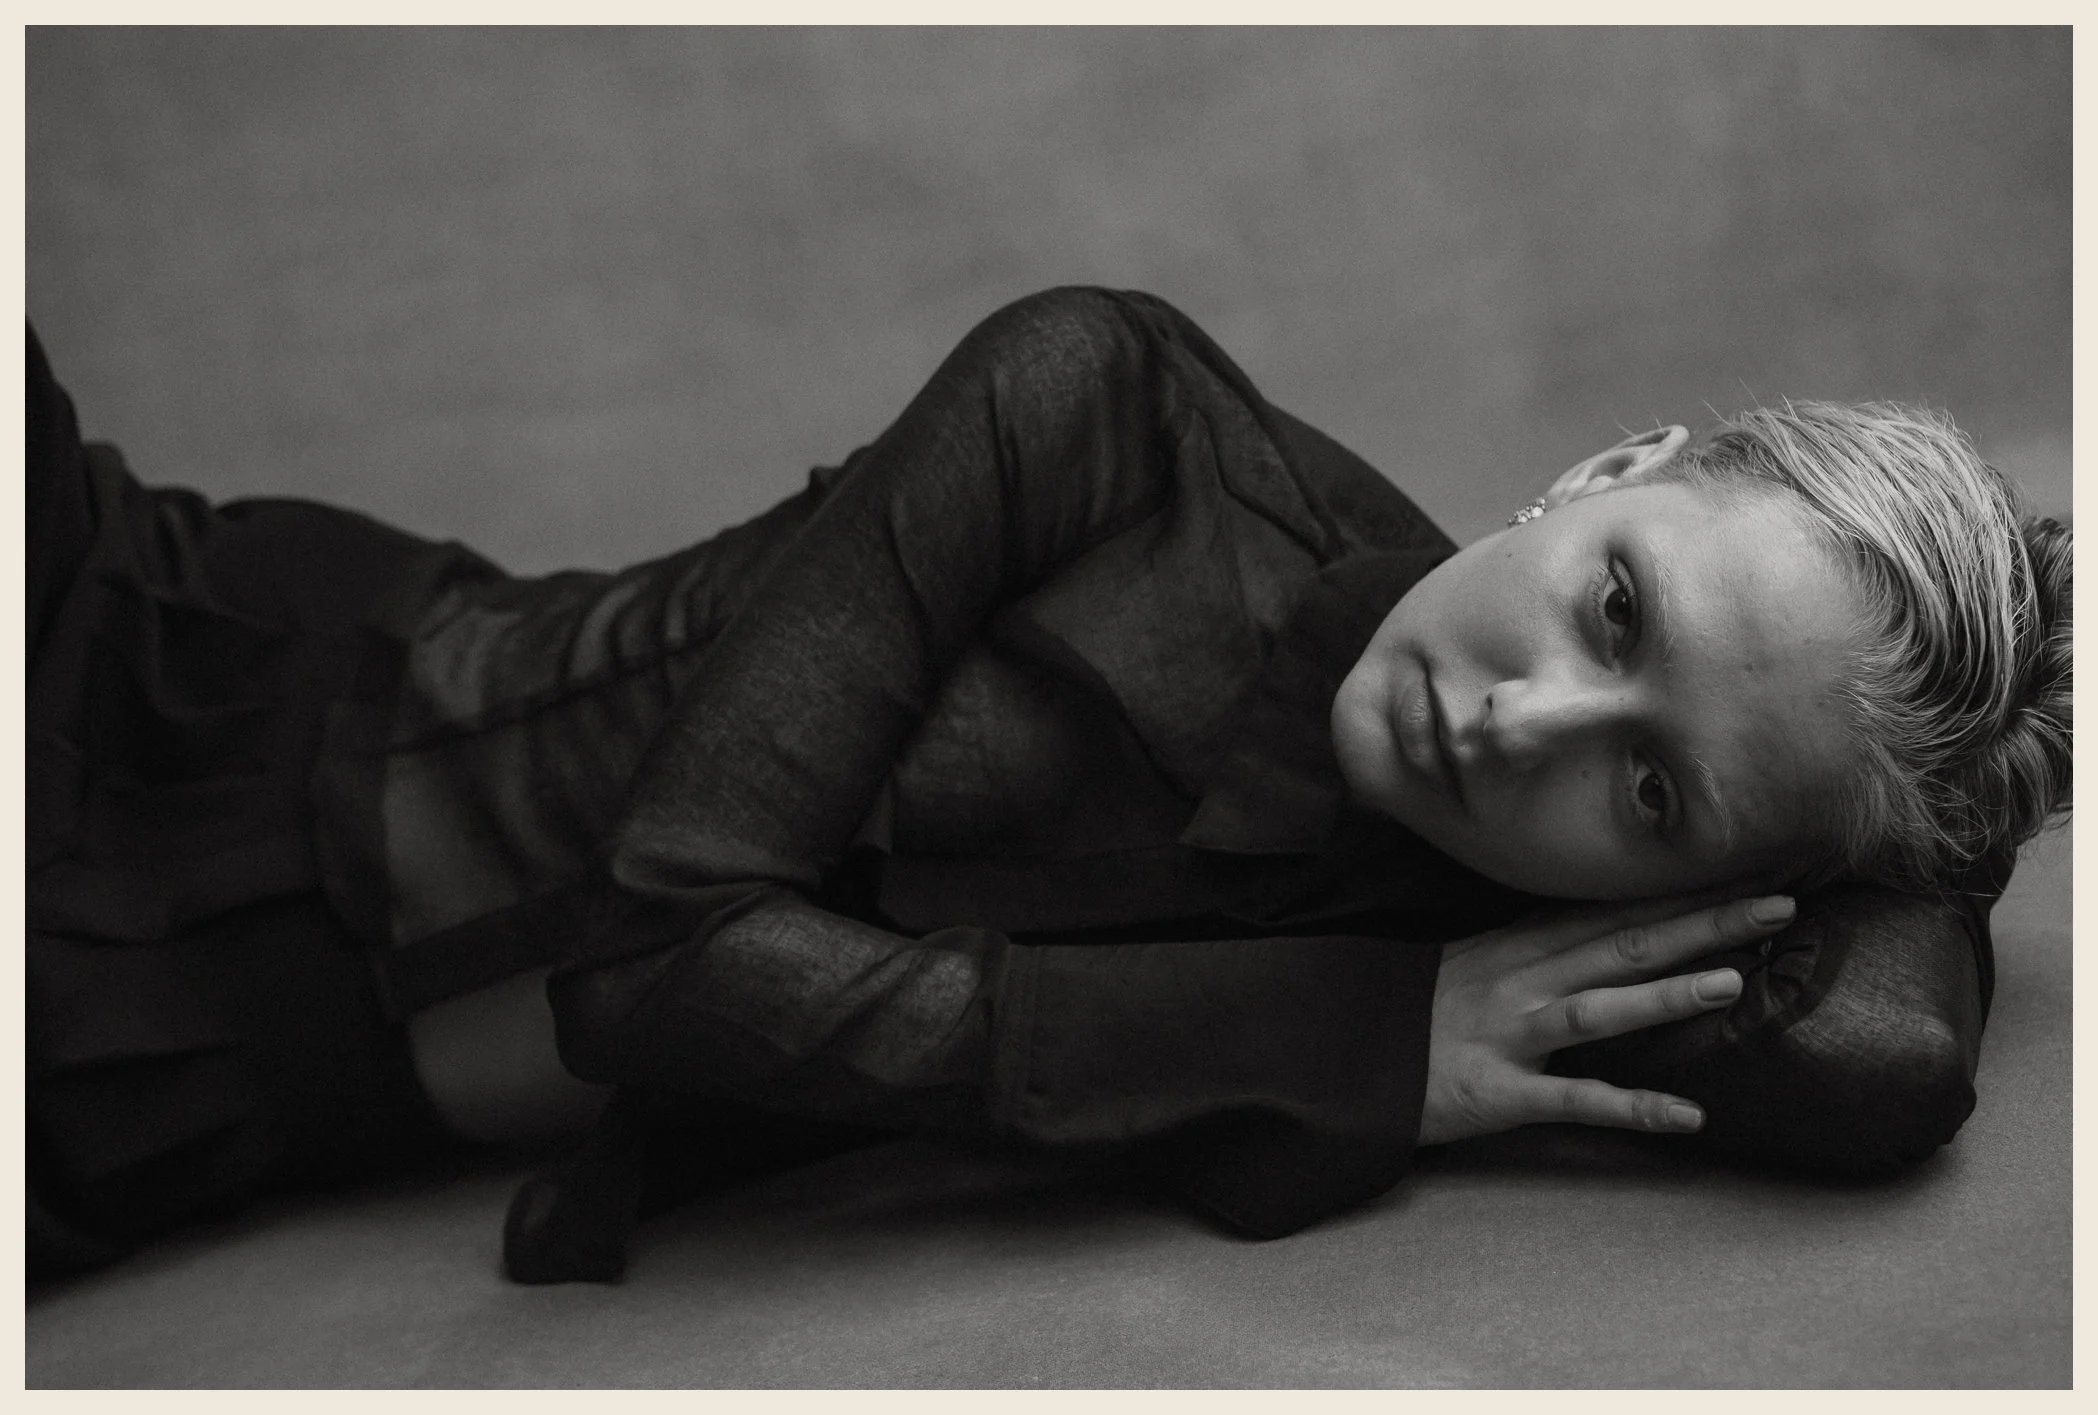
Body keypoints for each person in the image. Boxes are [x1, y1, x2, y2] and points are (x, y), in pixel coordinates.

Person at [25, 289, 2071, 1284]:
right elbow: (659, 950)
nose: (1519, 720)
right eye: (1612, 607)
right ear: (1613, 469)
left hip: (173, 1086)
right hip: (168, 682)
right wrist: (1349, 1035)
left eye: (1649, 792)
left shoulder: (1504, 947)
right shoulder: (1109, 416)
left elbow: (1878, 1051)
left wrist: (1936, 773)